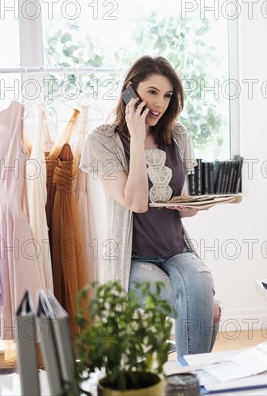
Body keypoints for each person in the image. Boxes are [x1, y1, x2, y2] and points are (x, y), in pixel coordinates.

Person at [80, 56, 220, 356]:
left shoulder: (178, 136)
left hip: (177, 250)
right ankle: (191, 381)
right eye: (152, 92)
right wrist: (138, 138)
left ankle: (189, 380)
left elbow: (188, 205)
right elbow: (136, 203)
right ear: (130, 92)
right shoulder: (103, 141)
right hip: (131, 260)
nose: (160, 103)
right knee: (201, 308)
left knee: (202, 297)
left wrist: (203, 201)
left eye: (168, 95)